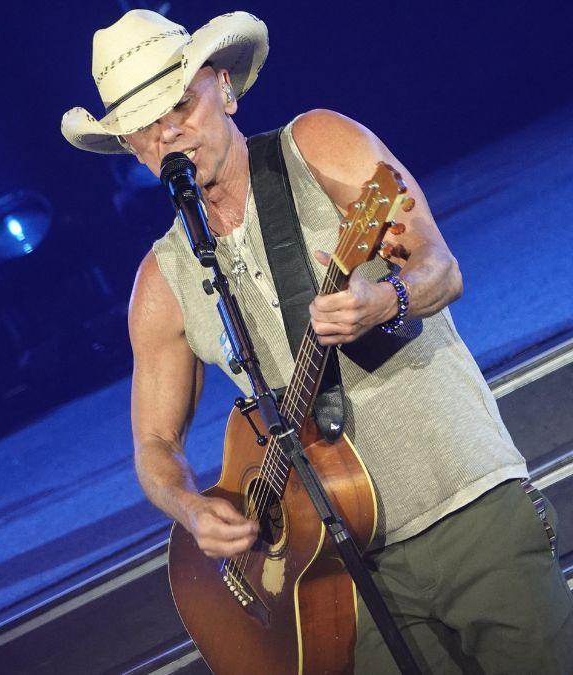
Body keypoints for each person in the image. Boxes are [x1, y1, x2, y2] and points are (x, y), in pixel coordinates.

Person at [61, 10, 573, 673]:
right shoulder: (162, 281)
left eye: (181, 104)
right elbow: (154, 447)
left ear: (226, 88)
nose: (169, 132)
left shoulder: (318, 145)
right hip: (336, 571)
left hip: (462, 502)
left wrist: (382, 299)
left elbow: (440, 268)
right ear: (132, 150)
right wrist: (191, 508)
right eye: (145, 127)